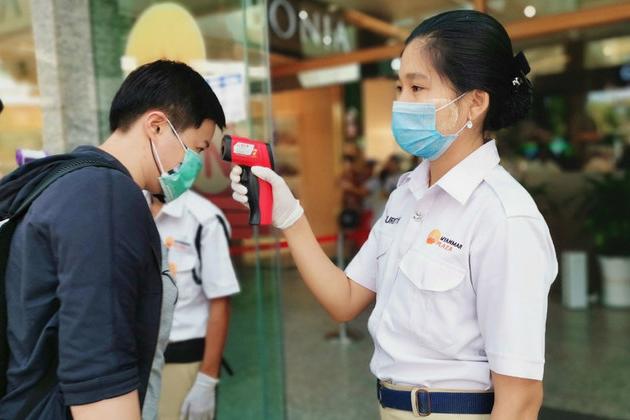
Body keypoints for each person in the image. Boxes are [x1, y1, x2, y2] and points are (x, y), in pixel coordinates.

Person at [230, 10, 557, 420]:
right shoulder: (406, 197)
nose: (402, 102)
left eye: (418, 87)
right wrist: (290, 216)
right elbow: (345, 299)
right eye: (400, 87)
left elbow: (521, 399)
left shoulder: (504, 217)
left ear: (475, 102)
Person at [0, 60, 225, 419]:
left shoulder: (67, 180)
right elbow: (99, 374)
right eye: (197, 148)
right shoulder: (106, 197)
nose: (195, 165)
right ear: (156, 126)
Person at [148, 190, 239, 420]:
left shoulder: (204, 218)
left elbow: (220, 302)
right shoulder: (128, 207)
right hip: (133, 361)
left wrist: (207, 379)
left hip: (181, 359)